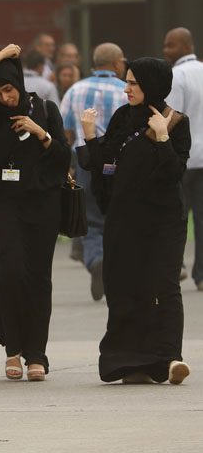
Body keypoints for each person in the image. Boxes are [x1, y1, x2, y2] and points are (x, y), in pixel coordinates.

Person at [0, 44, 70, 382]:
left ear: (19, 84)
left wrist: (41, 134)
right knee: (9, 272)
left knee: (38, 278)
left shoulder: (46, 109)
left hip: (42, 204)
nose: (6, 97)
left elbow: (63, 156)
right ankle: (13, 348)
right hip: (2, 202)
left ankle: (36, 354)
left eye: (9, 89)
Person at [77, 57, 191, 385]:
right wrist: (90, 138)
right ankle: (129, 361)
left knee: (163, 286)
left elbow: (172, 175)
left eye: (134, 83)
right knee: (125, 287)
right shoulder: (121, 119)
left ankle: (169, 359)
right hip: (124, 219)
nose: (126, 89)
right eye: (127, 82)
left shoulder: (174, 122)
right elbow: (105, 173)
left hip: (162, 221)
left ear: (152, 85)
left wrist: (163, 139)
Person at [59, 43, 127, 300]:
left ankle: (96, 260)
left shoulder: (76, 90)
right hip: (120, 164)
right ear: (117, 62)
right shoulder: (126, 91)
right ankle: (115, 270)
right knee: (118, 217)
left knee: (89, 218)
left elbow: (65, 133)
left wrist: (67, 166)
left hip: (85, 162)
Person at [163, 27, 203, 291]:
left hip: (185, 159)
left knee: (174, 215)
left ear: (186, 46)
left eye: (170, 45)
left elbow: (172, 118)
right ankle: (202, 276)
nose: (166, 50)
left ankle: (176, 267)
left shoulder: (176, 75)